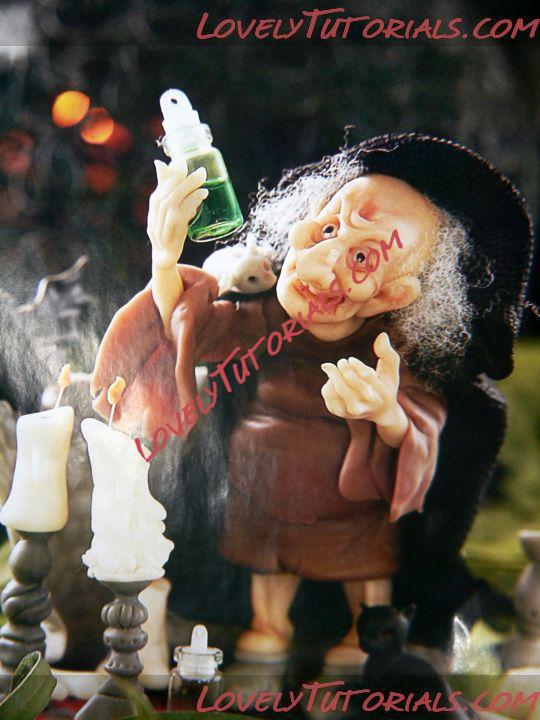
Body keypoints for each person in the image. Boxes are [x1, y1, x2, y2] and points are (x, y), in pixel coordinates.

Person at [91, 133, 533, 666]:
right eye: (327, 229)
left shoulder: (392, 351)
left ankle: (361, 636)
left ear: (395, 294)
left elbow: (422, 429)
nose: (322, 265)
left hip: (352, 506)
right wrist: (164, 260)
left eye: (362, 257)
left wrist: (385, 411)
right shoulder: (266, 319)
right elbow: (192, 331)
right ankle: (269, 627)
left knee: (365, 567)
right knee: (270, 568)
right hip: (263, 488)